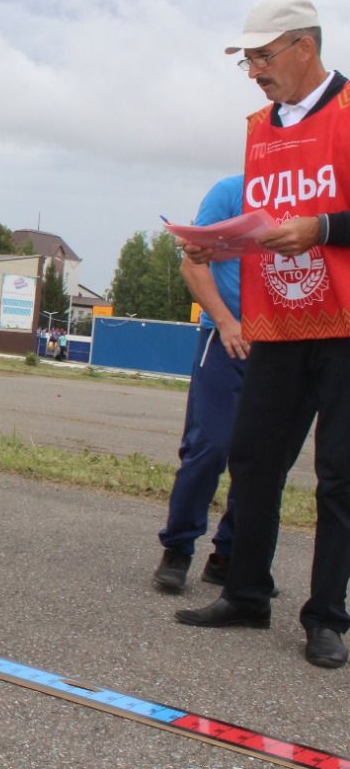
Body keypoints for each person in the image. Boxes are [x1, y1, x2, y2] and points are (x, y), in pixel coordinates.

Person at [175, 0, 350, 670]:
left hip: (341, 325)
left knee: (338, 475)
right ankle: (247, 591)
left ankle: (327, 616)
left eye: (262, 56)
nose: (253, 70)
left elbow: (310, 222)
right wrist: (219, 248)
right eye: (246, 59)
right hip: (276, 319)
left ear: (304, 48)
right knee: (251, 458)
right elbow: (265, 223)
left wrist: (323, 228)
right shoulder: (259, 127)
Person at [153, 176, 249, 592]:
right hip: (225, 337)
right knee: (208, 446)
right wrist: (226, 322)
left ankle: (230, 553)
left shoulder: (309, 196)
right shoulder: (230, 192)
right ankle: (178, 547)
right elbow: (193, 262)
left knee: (264, 461)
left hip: (284, 345)